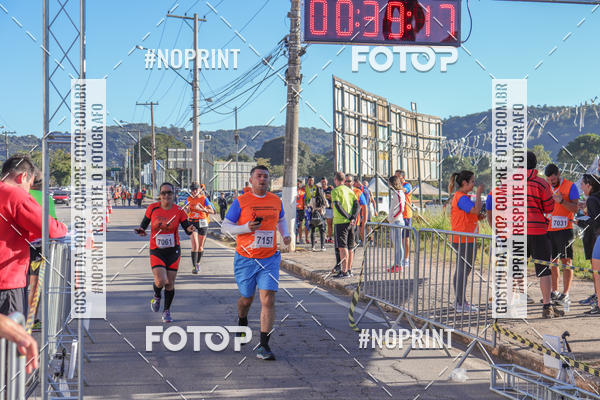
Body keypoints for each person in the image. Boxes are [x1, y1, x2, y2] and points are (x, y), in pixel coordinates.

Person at [221, 165, 291, 360]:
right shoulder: (241, 201)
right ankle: (242, 320)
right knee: (246, 299)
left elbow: (281, 220)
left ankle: (264, 346)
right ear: (251, 180)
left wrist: (285, 234)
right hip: (246, 259)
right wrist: (245, 227)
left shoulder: (275, 200)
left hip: (269, 258)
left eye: (265, 176)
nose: (262, 179)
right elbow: (225, 227)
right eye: (259, 176)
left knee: (267, 299)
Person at [0, 155, 67, 315]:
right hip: (7, 280)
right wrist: (63, 228)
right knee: (12, 330)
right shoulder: (15, 195)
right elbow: (50, 229)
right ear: (23, 176)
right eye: (29, 185)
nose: (29, 190)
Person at [134, 182, 196, 323]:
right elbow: (144, 225)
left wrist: (190, 229)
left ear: (173, 194)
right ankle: (157, 296)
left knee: (169, 283)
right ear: (160, 195)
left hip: (173, 251)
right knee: (160, 280)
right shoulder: (152, 208)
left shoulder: (179, 210)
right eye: (163, 193)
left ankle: (166, 311)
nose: (166, 195)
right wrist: (141, 230)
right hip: (157, 250)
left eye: (169, 193)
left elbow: (186, 227)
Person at [526, 152, 562, 319]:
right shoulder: (541, 184)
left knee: (516, 267)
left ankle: (513, 302)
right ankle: (547, 306)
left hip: (517, 231)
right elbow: (549, 207)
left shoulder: (511, 184)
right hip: (538, 231)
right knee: (544, 269)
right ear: (535, 164)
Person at [449, 170, 484, 312]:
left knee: (463, 269)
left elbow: (471, 213)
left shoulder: (462, 197)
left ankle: (460, 301)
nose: (474, 184)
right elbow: (475, 210)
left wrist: (477, 217)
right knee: (463, 270)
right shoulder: (461, 197)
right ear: (465, 183)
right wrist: (479, 194)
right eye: (472, 181)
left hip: (465, 238)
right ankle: (460, 302)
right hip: (464, 239)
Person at [545, 163, 579, 306]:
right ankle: (555, 291)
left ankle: (565, 294)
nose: (551, 182)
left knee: (566, 261)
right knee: (552, 262)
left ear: (559, 174)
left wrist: (562, 201)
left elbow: (576, 209)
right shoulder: (547, 187)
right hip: (549, 229)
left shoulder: (571, 186)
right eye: (548, 180)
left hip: (565, 229)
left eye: (553, 179)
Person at [28, 171, 58, 329]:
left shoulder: (21, 195)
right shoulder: (47, 199)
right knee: (34, 285)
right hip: (37, 247)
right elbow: (52, 224)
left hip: (17, 245)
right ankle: (32, 320)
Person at [578, 174, 600, 315]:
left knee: (597, 273)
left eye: (582, 184)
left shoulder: (592, 199)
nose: (581, 187)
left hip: (597, 238)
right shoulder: (593, 199)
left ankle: (598, 302)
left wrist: (580, 220)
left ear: (589, 185)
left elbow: (596, 222)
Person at [332, 172, 359, 278]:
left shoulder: (335, 191)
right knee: (350, 247)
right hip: (351, 223)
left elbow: (337, 205)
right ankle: (349, 269)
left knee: (342, 247)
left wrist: (348, 217)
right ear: (344, 180)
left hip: (340, 222)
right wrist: (353, 217)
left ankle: (344, 271)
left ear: (336, 180)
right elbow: (357, 206)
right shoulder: (350, 190)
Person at [186, 183, 215, 274]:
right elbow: (187, 210)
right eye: (192, 190)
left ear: (199, 190)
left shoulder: (204, 199)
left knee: (200, 246)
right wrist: (186, 210)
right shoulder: (189, 199)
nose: (194, 191)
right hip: (192, 222)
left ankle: (198, 263)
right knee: (195, 245)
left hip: (202, 222)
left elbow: (212, 211)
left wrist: (202, 209)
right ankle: (194, 266)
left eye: (196, 189)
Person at [388, 175, 406, 273]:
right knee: (396, 245)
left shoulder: (398, 193)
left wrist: (393, 217)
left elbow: (400, 208)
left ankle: (399, 265)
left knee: (398, 245)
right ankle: (396, 264)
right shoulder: (396, 193)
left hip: (397, 222)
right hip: (394, 221)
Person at [396, 170, 413, 268]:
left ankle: (406, 259)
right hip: (398, 215)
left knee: (405, 238)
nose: (396, 178)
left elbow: (405, 190)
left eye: (398, 176)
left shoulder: (407, 185)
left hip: (406, 216)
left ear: (403, 177)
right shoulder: (396, 187)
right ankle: (399, 259)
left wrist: (397, 187)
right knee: (398, 239)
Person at [309, 185, 328, 251]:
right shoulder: (323, 199)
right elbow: (327, 205)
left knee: (313, 231)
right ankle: (322, 247)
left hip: (314, 216)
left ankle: (313, 247)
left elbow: (310, 205)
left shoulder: (313, 199)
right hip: (321, 216)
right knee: (322, 232)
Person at [351, 176, 368, 244]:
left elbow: (366, 204)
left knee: (363, 227)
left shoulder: (361, 190)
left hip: (359, 215)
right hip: (354, 216)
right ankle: (363, 241)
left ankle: (365, 241)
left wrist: (364, 218)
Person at [321, 177, 334, 243]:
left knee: (329, 224)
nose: (323, 183)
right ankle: (324, 237)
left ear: (327, 182)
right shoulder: (319, 189)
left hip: (329, 208)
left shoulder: (330, 188)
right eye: (322, 181)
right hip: (322, 208)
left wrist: (330, 197)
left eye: (324, 181)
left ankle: (330, 237)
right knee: (322, 224)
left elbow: (334, 197)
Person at [296, 180, 306, 244]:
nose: (298, 185)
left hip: (300, 210)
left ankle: (300, 239)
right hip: (294, 210)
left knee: (300, 225)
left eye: (299, 184)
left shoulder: (303, 192)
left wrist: (304, 209)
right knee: (294, 225)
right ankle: (294, 239)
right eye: (297, 184)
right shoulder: (293, 191)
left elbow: (304, 201)